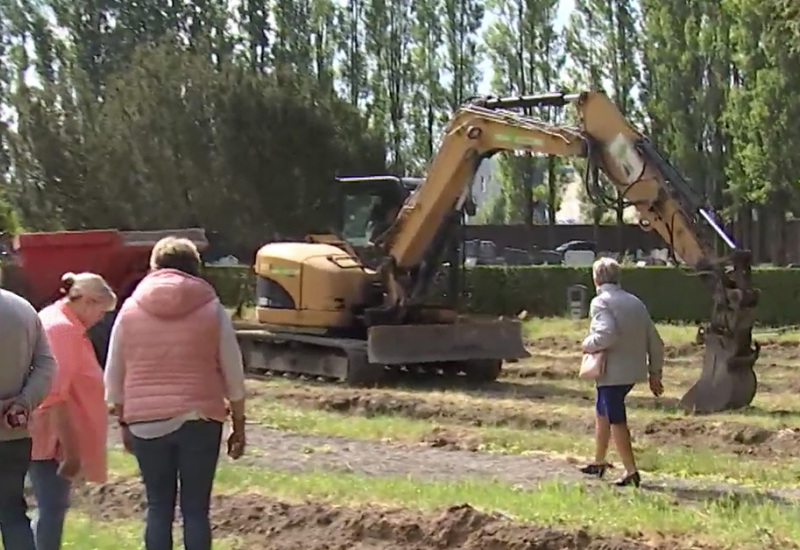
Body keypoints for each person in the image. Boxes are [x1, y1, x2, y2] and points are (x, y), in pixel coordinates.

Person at [105, 236, 247, 550]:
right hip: (200, 416)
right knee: (196, 510)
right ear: (195, 269)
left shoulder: (129, 310)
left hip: (146, 421)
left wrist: (122, 422)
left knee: (158, 507)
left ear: (153, 267)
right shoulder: (211, 308)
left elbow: (114, 374)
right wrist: (238, 421)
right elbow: (232, 370)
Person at [28, 272, 118, 550]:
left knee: (49, 508)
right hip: (54, 440)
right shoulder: (63, 330)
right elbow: (55, 394)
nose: (100, 319)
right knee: (51, 510)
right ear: (88, 301)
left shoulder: (56, 319)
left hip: (48, 433)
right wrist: (71, 451)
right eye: (101, 312)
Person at [579, 257, 664, 487]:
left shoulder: (600, 302)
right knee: (602, 410)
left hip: (611, 372)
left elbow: (606, 334)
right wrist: (655, 373)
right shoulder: (636, 302)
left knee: (616, 417)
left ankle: (631, 471)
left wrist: (587, 344)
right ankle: (599, 461)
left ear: (596, 278)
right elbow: (655, 341)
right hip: (633, 370)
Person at [0, 282, 57, 550]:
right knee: (12, 513)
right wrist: (23, 404)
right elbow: (46, 364)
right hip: (13, 431)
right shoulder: (23, 309)